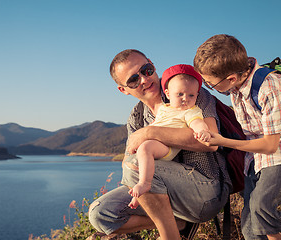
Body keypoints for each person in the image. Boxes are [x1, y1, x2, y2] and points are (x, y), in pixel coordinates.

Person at [88, 49, 231, 240]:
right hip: (162, 193)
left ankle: (169, 236)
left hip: (205, 189)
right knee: (100, 214)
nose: (144, 80)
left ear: (153, 66)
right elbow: (129, 164)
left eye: (146, 70)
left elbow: (211, 142)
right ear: (123, 89)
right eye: (133, 80)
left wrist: (150, 132)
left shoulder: (186, 90)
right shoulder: (136, 117)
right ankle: (179, 223)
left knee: (137, 164)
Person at [193, 34, 281, 240]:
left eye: (210, 84)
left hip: (275, 157)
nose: (208, 87)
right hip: (253, 160)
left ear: (231, 78)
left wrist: (221, 140)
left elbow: (270, 145)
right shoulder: (236, 84)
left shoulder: (270, 87)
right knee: (250, 228)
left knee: (262, 209)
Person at [128, 64, 211, 210]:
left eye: (191, 95)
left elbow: (197, 122)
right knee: (137, 162)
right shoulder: (164, 109)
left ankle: (145, 183)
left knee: (145, 149)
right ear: (167, 94)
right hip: (155, 145)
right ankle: (137, 197)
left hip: (167, 147)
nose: (185, 98)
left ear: (197, 96)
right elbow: (155, 124)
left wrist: (202, 131)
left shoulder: (191, 111)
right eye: (180, 94)